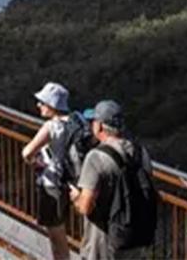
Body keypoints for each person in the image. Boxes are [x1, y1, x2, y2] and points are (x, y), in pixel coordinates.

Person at [72, 100, 159, 260]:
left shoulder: (96, 157)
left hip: (104, 243)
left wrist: (76, 197)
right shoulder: (141, 152)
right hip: (136, 237)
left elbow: (85, 207)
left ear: (99, 126)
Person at [20, 82, 86, 260]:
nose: (39, 105)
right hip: (77, 184)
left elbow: (26, 153)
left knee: (57, 237)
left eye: (42, 102)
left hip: (53, 184)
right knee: (80, 233)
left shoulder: (51, 126)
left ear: (52, 105)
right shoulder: (78, 120)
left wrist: (36, 163)